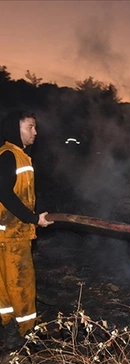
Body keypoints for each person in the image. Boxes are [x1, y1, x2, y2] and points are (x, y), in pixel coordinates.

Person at [0, 110, 53, 350]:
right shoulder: (10, 156)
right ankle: (26, 334)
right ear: (16, 128)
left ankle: (8, 327)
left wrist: (36, 214)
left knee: (5, 285)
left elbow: (23, 195)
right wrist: (33, 219)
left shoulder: (17, 156)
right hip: (12, 235)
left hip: (6, 233)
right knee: (21, 284)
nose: (35, 132)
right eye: (30, 127)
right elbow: (3, 193)